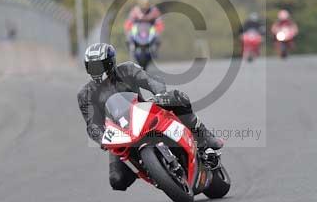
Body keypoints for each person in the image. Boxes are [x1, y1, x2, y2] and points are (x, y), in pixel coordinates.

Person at [77, 43, 223, 191]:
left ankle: (205, 138)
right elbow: (92, 123)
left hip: (144, 113)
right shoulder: (85, 94)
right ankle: (153, 171)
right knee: (117, 180)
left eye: (99, 66)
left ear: (110, 63)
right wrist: (102, 139)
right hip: (120, 133)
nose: (96, 71)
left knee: (178, 97)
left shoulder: (127, 69)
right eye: (92, 66)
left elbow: (150, 80)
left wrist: (159, 94)